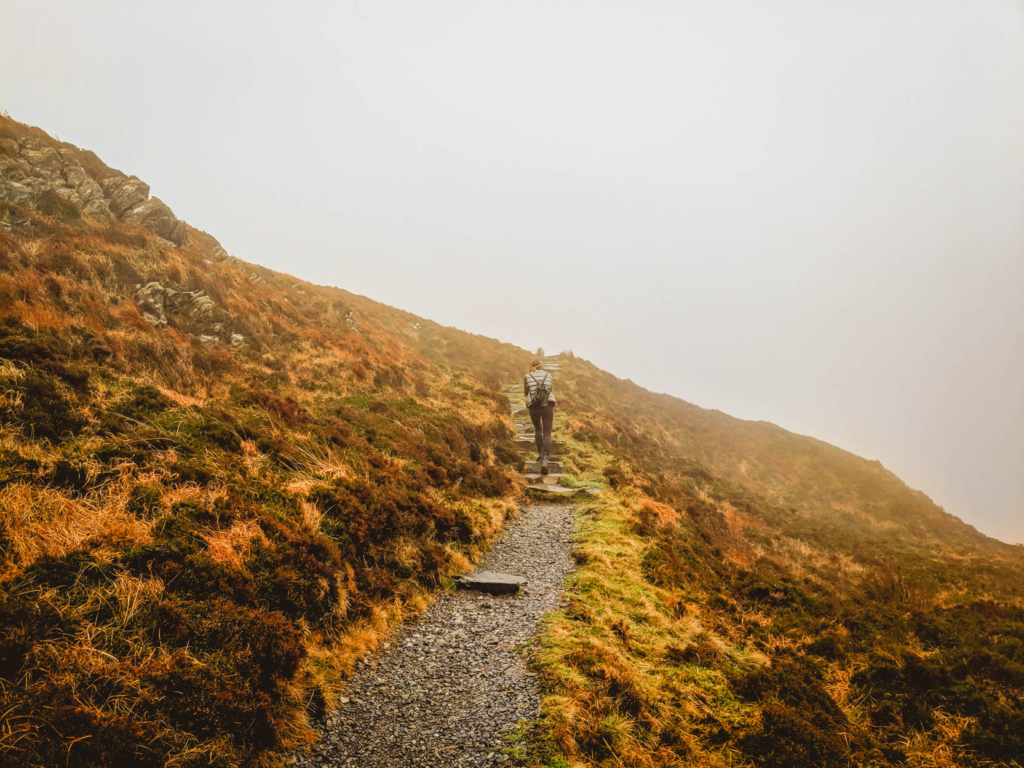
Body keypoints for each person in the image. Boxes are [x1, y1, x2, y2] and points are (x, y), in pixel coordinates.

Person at [524, 360, 555, 470]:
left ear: (531, 367)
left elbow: (526, 392)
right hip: (547, 405)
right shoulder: (548, 375)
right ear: (541, 367)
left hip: (534, 405)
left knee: (538, 429)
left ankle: (540, 455)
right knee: (547, 433)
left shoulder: (527, 376)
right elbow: (550, 389)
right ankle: (545, 461)